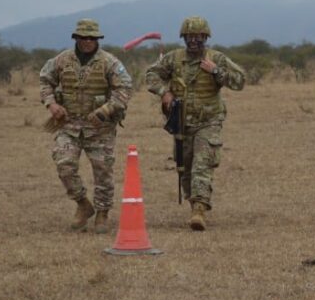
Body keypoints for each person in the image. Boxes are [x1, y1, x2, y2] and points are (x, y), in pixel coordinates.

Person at [145, 16, 246, 231]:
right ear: (184, 38)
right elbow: (151, 74)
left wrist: (215, 71)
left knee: (202, 163)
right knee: (185, 167)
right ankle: (194, 203)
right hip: (181, 124)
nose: (194, 41)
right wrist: (164, 92)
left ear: (206, 37)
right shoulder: (173, 59)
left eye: (198, 36)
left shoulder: (216, 58)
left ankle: (199, 209)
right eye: (190, 36)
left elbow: (240, 81)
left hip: (208, 122)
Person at [39, 19, 133, 234]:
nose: (88, 41)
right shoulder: (62, 60)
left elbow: (125, 89)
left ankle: (102, 212)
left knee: (103, 171)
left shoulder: (109, 62)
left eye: (92, 38)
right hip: (68, 125)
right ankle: (83, 204)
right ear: (76, 38)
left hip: (100, 128)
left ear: (98, 39)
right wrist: (51, 104)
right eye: (84, 37)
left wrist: (106, 110)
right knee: (64, 165)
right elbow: (45, 80)